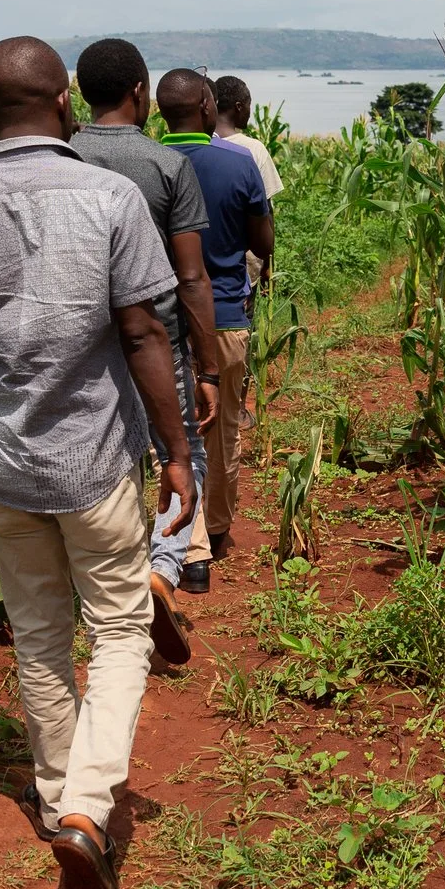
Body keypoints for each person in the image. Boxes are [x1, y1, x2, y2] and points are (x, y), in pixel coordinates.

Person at [0, 36, 195, 889]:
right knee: (120, 628)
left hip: (5, 465)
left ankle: (51, 793)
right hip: (96, 463)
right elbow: (143, 331)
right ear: (64, 103)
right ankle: (86, 807)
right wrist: (177, 451)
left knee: (37, 636)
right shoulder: (110, 198)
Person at [69, 38, 224, 618]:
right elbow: (192, 277)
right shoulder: (167, 165)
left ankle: (105, 576)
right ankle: (162, 568)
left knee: (105, 458)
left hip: (83, 342)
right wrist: (208, 367)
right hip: (159, 338)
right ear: (140, 92)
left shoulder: (62, 158)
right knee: (183, 453)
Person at [155, 69, 272, 556]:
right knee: (222, 429)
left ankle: (177, 538)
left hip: (159, 325)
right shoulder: (239, 161)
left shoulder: (148, 163)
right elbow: (263, 244)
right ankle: (216, 530)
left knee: (169, 432)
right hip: (223, 316)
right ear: (207, 107)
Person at [210, 75, 283, 201]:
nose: (249, 112)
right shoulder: (254, 149)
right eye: (248, 105)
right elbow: (265, 204)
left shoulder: (201, 143)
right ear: (239, 107)